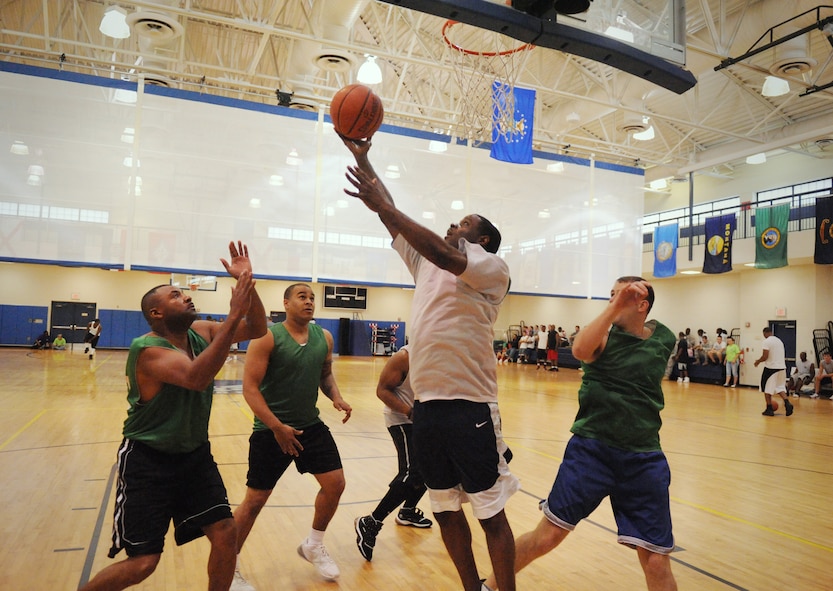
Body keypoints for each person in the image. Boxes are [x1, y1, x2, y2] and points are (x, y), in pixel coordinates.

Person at [343, 137, 519, 591]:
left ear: (480, 238)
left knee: (489, 512)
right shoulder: (424, 262)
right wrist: (362, 156)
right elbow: (389, 215)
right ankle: (472, 588)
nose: (451, 225)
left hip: (469, 405)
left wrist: (389, 207)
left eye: (462, 223)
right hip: (427, 408)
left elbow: (442, 250)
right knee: (443, 508)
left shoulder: (491, 267)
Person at [79, 241, 267, 591]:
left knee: (226, 534)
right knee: (143, 562)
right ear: (157, 313)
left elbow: (257, 328)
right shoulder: (147, 349)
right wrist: (231, 315)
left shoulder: (203, 332)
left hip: (194, 455)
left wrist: (248, 285)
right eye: (177, 296)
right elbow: (197, 378)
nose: (188, 298)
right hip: (148, 461)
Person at [484, 277, 678, 591]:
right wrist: (618, 304)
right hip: (592, 452)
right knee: (547, 537)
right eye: (611, 294)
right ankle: (490, 586)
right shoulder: (601, 337)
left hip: (644, 458)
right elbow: (580, 349)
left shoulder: (664, 337)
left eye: (623, 295)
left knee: (656, 558)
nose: (614, 299)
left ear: (643, 305)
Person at [231, 283, 352, 588]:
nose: (309, 302)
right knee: (255, 501)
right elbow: (250, 389)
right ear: (286, 303)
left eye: (312, 298)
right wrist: (276, 427)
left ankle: (313, 544)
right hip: (271, 430)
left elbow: (324, 373)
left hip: (309, 426)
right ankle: (227, 565)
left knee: (335, 484)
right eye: (302, 297)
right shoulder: (266, 337)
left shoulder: (324, 337)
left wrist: (335, 396)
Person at [354, 345, 432, 562]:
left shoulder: (444, 354)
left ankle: (407, 511)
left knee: (431, 468)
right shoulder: (404, 357)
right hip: (402, 419)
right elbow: (382, 390)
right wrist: (409, 411)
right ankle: (371, 521)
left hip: (428, 420)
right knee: (412, 473)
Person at [753, 327, 793, 416]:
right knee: (779, 387)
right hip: (782, 367)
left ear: (765, 333)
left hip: (771, 368)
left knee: (766, 388)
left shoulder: (766, 341)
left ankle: (769, 408)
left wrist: (758, 361)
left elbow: (765, 356)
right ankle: (787, 403)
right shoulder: (779, 341)